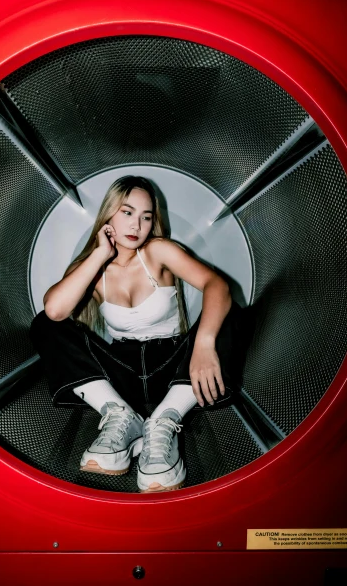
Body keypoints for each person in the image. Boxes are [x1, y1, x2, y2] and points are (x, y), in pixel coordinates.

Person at [30, 175, 239, 493]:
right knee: (45, 323)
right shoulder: (91, 267)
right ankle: (118, 414)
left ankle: (164, 421)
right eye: (127, 212)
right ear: (108, 215)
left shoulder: (158, 251)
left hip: (173, 369)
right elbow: (55, 312)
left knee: (231, 314)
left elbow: (218, 286)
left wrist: (204, 344)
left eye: (146, 216)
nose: (136, 224)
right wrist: (100, 255)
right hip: (121, 374)